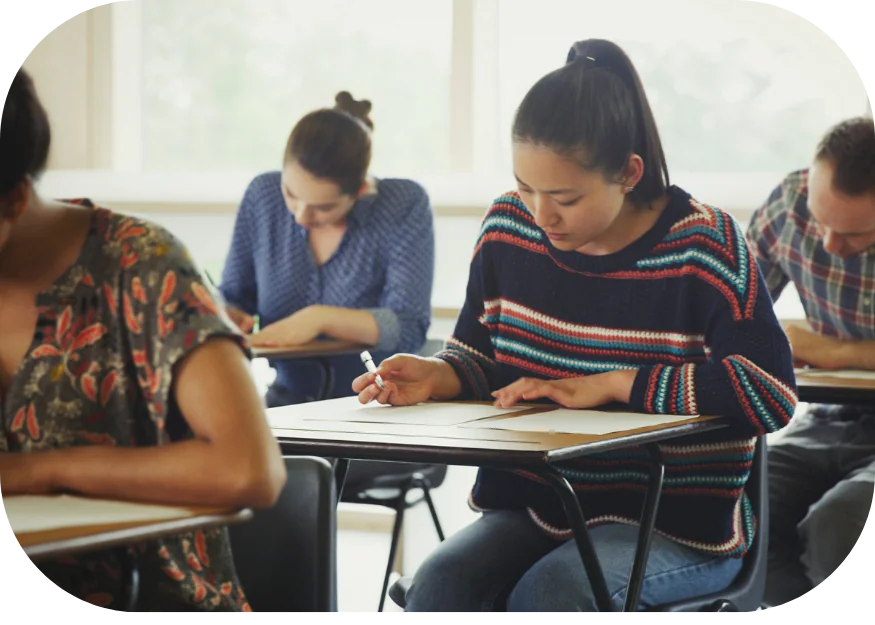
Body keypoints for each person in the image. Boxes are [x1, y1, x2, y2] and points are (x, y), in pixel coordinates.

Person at [352, 39, 798, 615]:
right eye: (525, 186)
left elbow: (769, 392)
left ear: (629, 174)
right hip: (541, 506)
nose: (541, 215)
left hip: (678, 524)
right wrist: (437, 375)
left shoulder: (705, 244)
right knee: (440, 585)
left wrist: (618, 384)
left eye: (564, 197)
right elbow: (482, 360)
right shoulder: (508, 228)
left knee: (554, 594)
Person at [0, 66, 287, 615]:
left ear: (13, 200)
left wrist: (38, 471)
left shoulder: (140, 265)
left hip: (156, 599)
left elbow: (249, 470)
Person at [218, 91, 435, 407]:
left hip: (379, 403)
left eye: (324, 207)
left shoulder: (403, 204)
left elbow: (408, 326)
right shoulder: (262, 195)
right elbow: (235, 295)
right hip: (288, 401)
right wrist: (229, 314)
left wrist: (319, 319)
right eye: (291, 194)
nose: (301, 215)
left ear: (359, 191)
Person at [744, 117, 875, 608]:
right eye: (821, 221)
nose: (828, 244)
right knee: (742, 507)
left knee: (840, 521)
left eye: (853, 233)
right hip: (822, 420)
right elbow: (730, 320)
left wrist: (837, 352)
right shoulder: (788, 203)